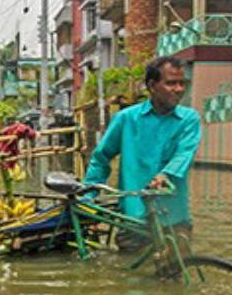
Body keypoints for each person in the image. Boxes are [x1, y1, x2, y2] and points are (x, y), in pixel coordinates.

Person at [84, 56, 201, 249]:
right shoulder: (126, 119)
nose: (179, 89)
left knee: (178, 269)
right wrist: (89, 193)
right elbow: (101, 157)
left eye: (182, 83)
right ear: (153, 86)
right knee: (130, 274)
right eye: (171, 83)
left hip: (174, 215)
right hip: (133, 216)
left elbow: (185, 152)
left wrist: (166, 175)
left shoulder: (189, 119)